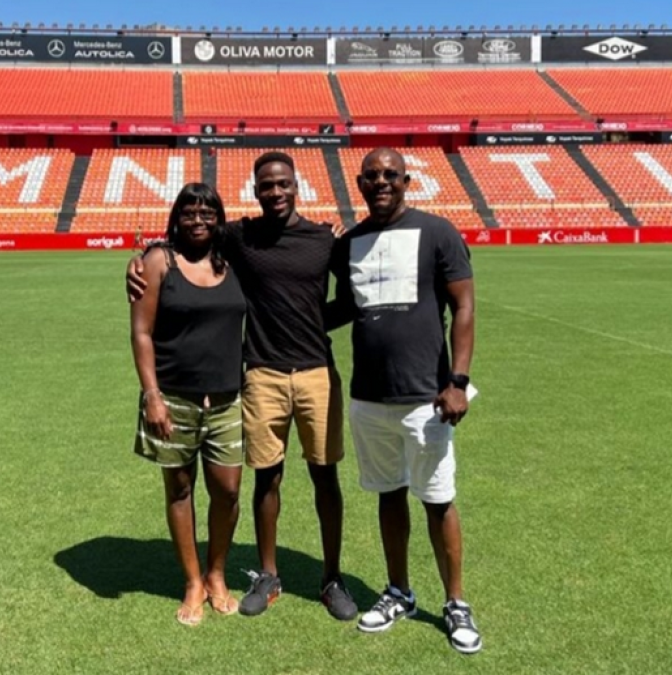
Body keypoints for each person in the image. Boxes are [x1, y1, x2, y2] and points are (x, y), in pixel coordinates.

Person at [127, 152, 358, 621]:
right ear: (255, 190)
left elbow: (351, 298)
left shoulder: (323, 239)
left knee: (324, 476)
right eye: (266, 185)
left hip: (315, 371)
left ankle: (331, 578)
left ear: (297, 186)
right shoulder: (240, 236)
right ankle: (267, 575)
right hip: (260, 374)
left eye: (283, 184)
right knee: (265, 477)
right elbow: (189, 231)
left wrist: (312, 323)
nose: (275, 192)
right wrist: (143, 255)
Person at [326, 148, 482, 654]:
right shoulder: (349, 242)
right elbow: (342, 309)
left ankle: (455, 601)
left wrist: (458, 379)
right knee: (388, 493)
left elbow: (463, 305)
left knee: (438, 500)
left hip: (426, 397)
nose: (381, 182)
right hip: (369, 395)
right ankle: (399, 591)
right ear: (359, 182)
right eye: (371, 176)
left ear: (407, 180)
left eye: (390, 174)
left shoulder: (438, 232)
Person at [130, 183, 247, 627]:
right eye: (190, 212)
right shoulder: (159, 261)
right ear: (176, 217)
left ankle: (217, 573)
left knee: (229, 492)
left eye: (207, 212)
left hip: (226, 400)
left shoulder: (232, 260)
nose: (199, 220)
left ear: (219, 218)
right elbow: (142, 333)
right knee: (179, 490)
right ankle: (193, 581)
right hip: (173, 400)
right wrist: (152, 397)